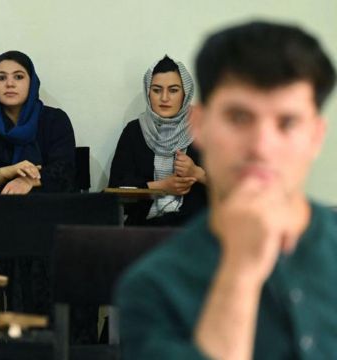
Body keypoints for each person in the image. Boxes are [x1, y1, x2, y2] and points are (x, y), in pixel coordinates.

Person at [116, 21, 336, 359]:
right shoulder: (151, 287)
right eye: (238, 117)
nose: (261, 146)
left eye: (287, 122)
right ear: (200, 125)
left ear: (316, 137)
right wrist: (240, 273)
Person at [109, 55, 207, 226]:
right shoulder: (134, 131)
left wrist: (197, 173)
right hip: (143, 228)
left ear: (186, 93)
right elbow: (116, 188)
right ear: (148, 92)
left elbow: (234, 187)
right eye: (156, 90)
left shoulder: (204, 130)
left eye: (173, 90)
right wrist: (161, 186)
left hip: (193, 230)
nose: (164, 98)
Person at [0, 50, 76, 194]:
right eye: (1, 78)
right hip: (0, 210)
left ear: (32, 82)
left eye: (18, 77)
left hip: (53, 209)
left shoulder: (54, 120)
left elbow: (64, 171)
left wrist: (27, 180)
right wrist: (8, 172)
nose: (9, 84)